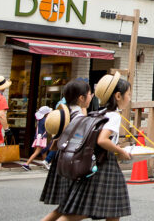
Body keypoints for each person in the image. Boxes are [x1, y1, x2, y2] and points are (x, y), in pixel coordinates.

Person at [56, 72, 133, 220]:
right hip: (105, 165)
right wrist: (120, 151)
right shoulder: (114, 116)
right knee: (88, 211)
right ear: (118, 96)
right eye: (128, 94)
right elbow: (102, 140)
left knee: (110, 210)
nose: (129, 98)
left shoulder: (98, 113)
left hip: (93, 162)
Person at [40, 80, 93, 221]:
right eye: (89, 94)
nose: (91, 96)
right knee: (80, 208)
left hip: (61, 159)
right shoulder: (79, 117)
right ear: (81, 98)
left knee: (64, 207)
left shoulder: (63, 112)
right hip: (73, 162)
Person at [22, 106, 52, 171]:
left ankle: (46, 164)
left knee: (44, 151)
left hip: (39, 138)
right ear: (46, 113)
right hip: (42, 138)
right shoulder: (44, 120)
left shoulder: (40, 120)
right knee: (37, 152)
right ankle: (26, 164)